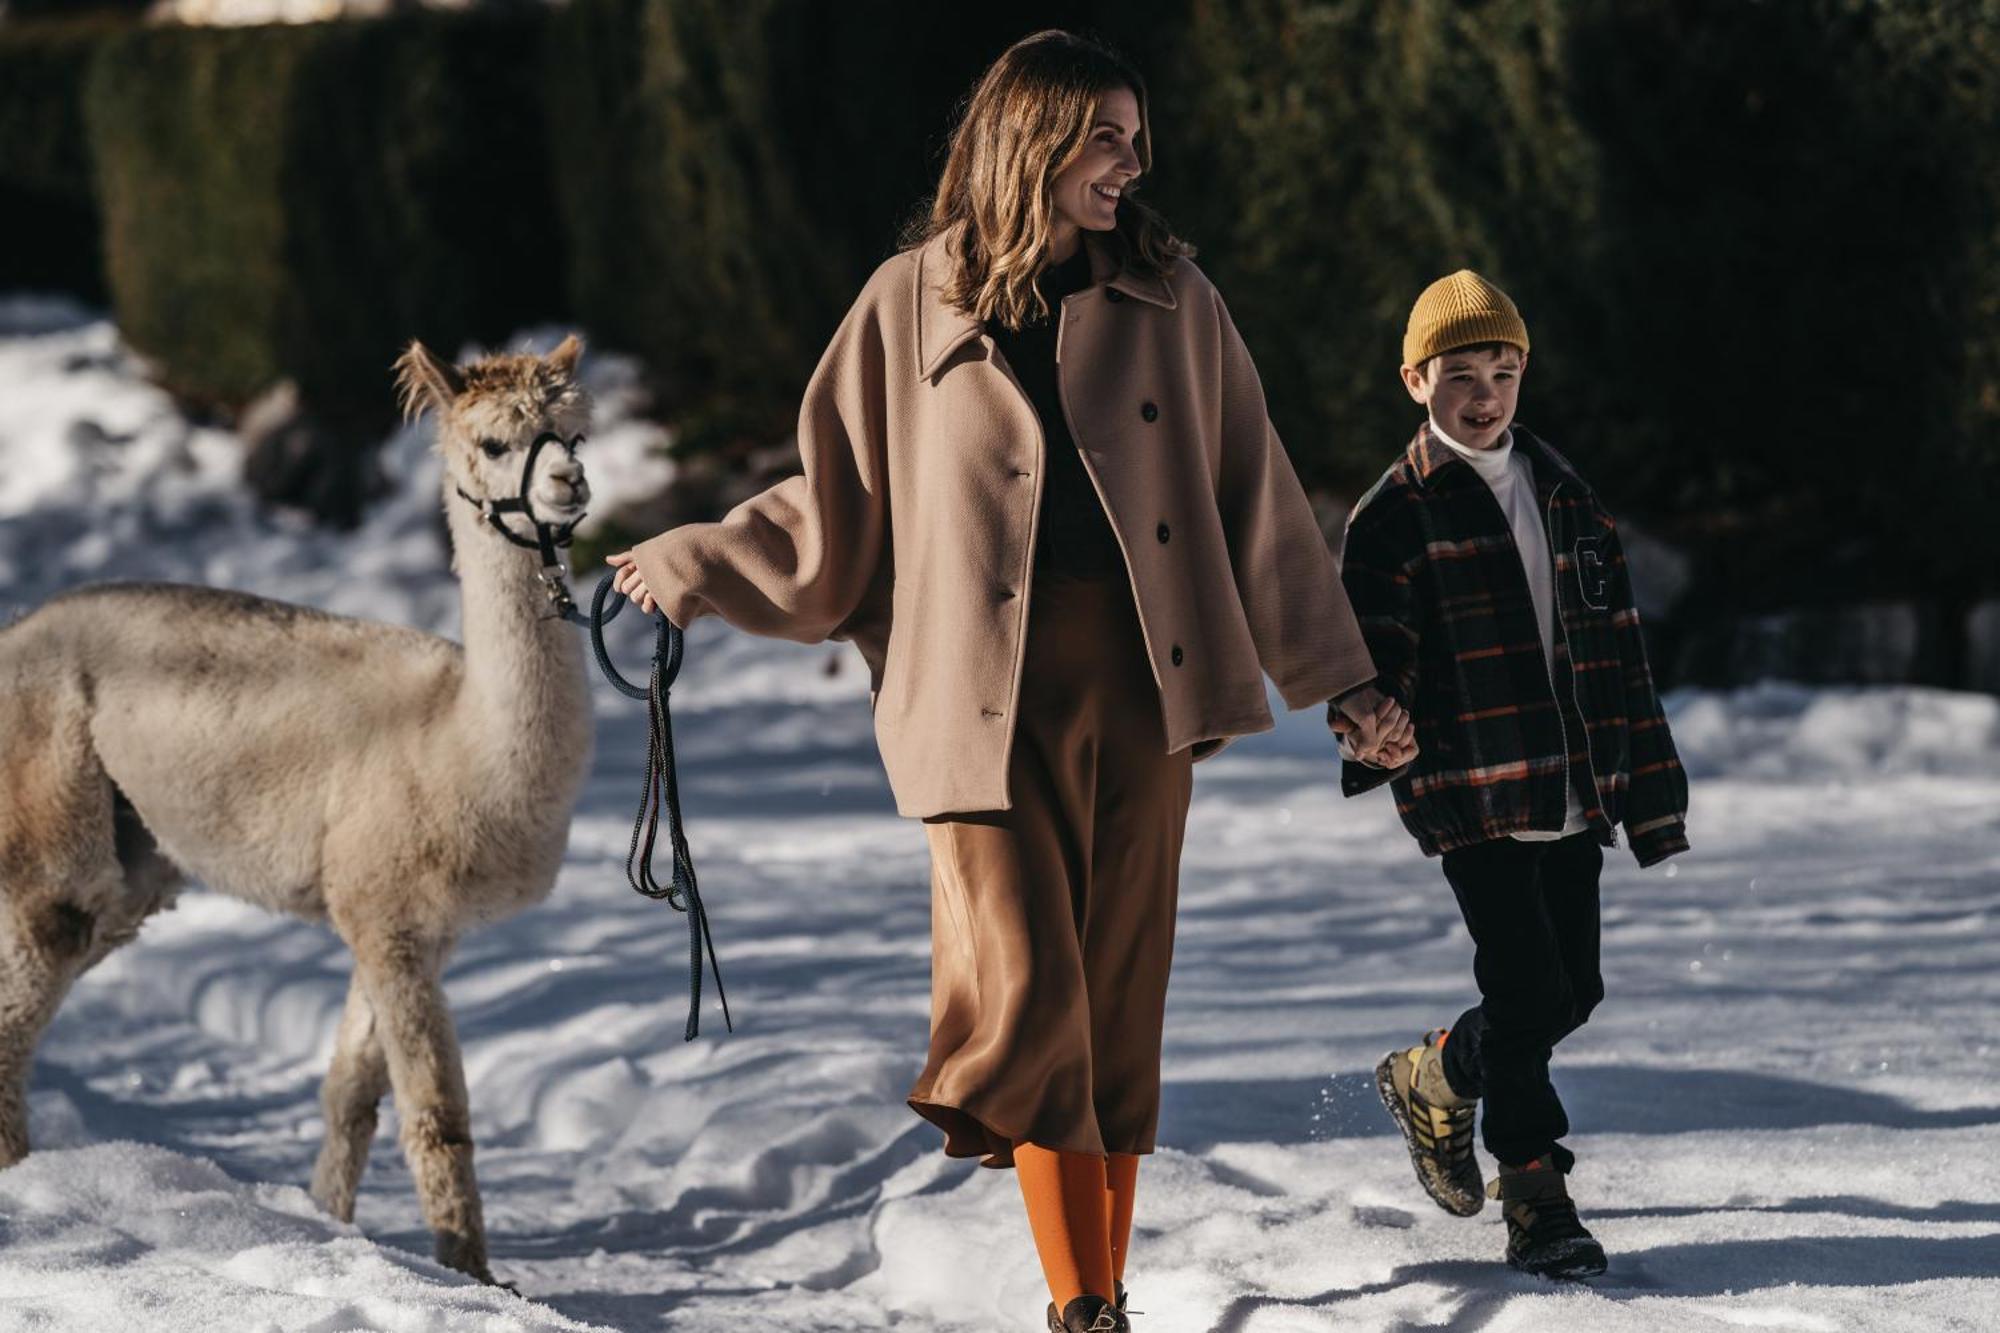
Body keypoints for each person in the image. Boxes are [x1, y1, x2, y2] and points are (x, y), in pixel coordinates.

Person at [607, 30, 1409, 1333]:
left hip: (1146, 689)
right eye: (1105, 136)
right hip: (976, 703)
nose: (1130, 164)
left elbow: (1253, 492)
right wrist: (696, 555)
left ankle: (1097, 1298)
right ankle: (1080, 1294)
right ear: (1027, 142)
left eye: (1138, 139)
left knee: (1117, 997)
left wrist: (1343, 679)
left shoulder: (1174, 298)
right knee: (1033, 991)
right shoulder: (904, 303)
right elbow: (838, 500)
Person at [1334, 270, 1689, 1280]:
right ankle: (1535, 1193)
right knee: (1525, 984)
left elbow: (1618, 652)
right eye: (1459, 374)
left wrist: (1649, 794)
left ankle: (1434, 1072)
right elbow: (1364, 661)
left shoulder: (1566, 493)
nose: (1483, 394)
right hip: (1473, 794)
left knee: (1571, 988)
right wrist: (1370, 726)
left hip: (1568, 789)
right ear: (1414, 379)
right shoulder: (1393, 514)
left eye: (1502, 370)